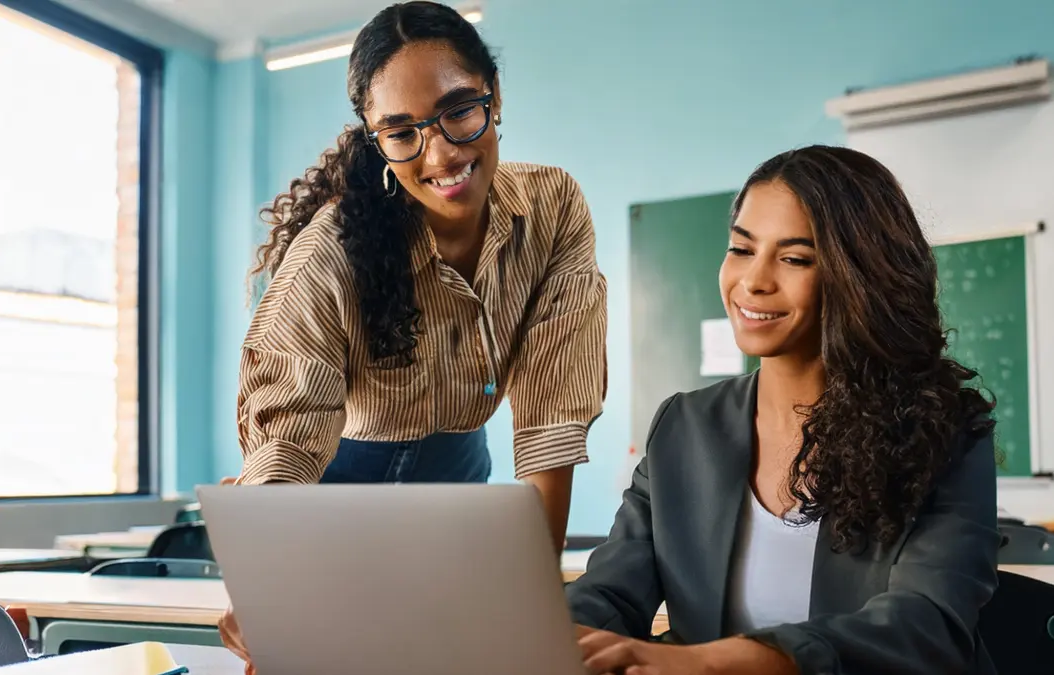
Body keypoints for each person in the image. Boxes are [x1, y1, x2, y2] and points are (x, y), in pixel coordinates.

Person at [221, 1, 607, 670]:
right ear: (376, 140)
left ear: (495, 93)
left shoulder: (553, 209)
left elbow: (551, 417)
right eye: (402, 132)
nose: (442, 152)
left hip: (459, 467)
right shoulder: (330, 256)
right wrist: (270, 578)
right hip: (335, 480)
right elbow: (287, 443)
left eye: (461, 110)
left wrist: (534, 606)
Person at [566, 145, 1000, 674]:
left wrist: (712, 663)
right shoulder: (684, 428)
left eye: (794, 258)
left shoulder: (945, 431)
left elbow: (927, 627)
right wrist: (549, 637)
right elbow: (610, 595)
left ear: (860, 276)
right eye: (741, 249)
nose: (753, 281)